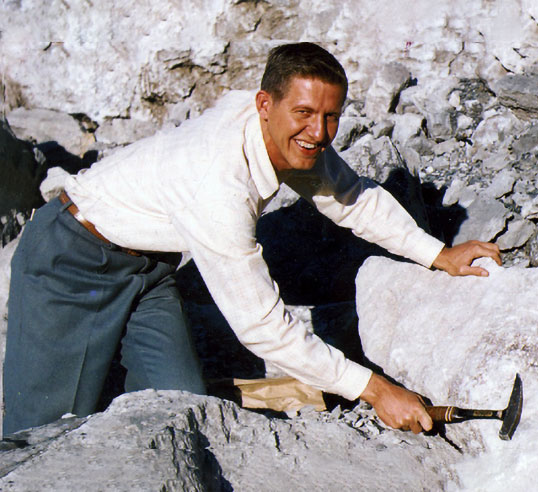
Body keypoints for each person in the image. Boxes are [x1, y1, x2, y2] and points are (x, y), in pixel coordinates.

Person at [3, 42, 501, 436]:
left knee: (180, 408)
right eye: (305, 113)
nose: (319, 131)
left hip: (149, 272)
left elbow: (350, 196)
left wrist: (439, 254)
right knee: (45, 432)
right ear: (265, 103)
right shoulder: (218, 182)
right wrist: (374, 390)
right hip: (72, 261)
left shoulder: (282, 132)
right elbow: (262, 327)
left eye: (331, 116)